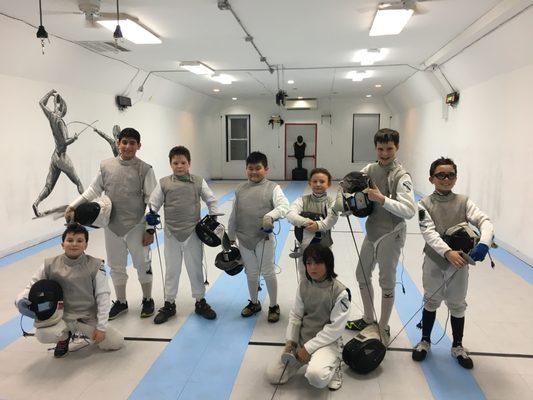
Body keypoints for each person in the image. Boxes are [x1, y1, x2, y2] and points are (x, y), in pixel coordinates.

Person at [65, 127, 157, 320]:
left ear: (138, 146)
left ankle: (147, 299)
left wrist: (150, 229)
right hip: (112, 226)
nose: (128, 146)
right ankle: (122, 302)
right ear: (118, 144)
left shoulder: (145, 169)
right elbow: (93, 190)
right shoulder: (106, 166)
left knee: (142, 263)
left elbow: (152, 200)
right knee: (116, 266)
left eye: (132, 143)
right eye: (124, 142)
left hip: (137, 225)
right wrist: (73, 206)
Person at [412, 157, 494, 369]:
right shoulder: (424, 204)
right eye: (441, 175)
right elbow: (428, 232)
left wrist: (484, 243)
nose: (446, 179)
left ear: (455, 178)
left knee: (457, 302)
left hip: (460, 262)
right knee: (431, 299)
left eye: (450, 175)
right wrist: (447, 252)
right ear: (432, 179)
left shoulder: (464, 201)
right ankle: (425, 341)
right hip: (434, 259)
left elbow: (484, 221)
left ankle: (457, 346)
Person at [344, 128, 416, 344]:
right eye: (380, 148)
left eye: (389, 149)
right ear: (375, 148)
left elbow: (409, 210)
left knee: (386, 281)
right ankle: (368, 318)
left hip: (391, 233)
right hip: (373, 230)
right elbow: (353, 187)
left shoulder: (401, 176)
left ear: (397, 148)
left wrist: (382, 199)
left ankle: (383, 327)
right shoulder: (370, 169)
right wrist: (347, 201)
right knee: (362, 274)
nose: (384, 153)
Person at [15, 223, 124, 358]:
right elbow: (33, 286)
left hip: (87, 316)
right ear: (62, 244)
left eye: (79, 241)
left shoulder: (95, 265)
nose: (74, 244)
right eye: (70, 240)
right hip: (61, 317)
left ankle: (84, 331)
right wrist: (21, 299)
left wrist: (101, 328)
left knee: (116, 342)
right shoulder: (49, 264)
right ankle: (63, 338)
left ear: (86, 245)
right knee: (43, 334)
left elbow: (103, 296)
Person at [148, 146, 219, 324]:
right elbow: (153, 203)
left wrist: (213, 218)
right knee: (172, 270)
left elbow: (211, 199)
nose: (179, 166)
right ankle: (169, 303)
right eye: (175, 163)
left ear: (189, 163)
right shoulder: (164, 182)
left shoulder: (198, 181)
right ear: (170, 164)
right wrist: (150, 217)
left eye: (183, 163)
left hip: (193, 232)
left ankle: (200, 301)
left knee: (195, 268)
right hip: (171, 233)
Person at [265, 244, 350, 390]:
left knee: (316, 377)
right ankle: (309, 359)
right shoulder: (304, 285)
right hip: (303, 340)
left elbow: (334, 329)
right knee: (274, 375)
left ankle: (335, 364)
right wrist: (291, 342)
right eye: (309, 263)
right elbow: (296, 315)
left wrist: (308, 349)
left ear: (328, 264)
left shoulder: (340, 292)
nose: (312, 268)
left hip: (326, 342)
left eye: (318, 263)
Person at [227, 151, 289, 322]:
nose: (254, 172)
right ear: (246, 169)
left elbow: (284, 206)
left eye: (258, 168)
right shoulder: (240, 189)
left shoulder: (273, 188)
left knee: (268, 272)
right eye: (250, 168)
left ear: (266, 169)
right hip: (244, 239)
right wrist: (230, 237)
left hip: (264, 238)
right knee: (251, 273)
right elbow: (234, 214)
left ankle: (274, 305)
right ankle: (254, 303)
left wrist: (271, 215)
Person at [33, 89, 84, 217]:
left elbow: (41, 102)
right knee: (78, 181)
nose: (57, 106)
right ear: (62, 109)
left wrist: (50, 93)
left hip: (54, 156)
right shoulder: (60, 121)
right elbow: (64, 142)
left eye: (57, 105)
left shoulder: (51, 116)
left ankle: (36, 203)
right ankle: (86, 205)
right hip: (62, 157)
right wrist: (74, 138)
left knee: (49, 185)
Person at [287, 167, 338, 281]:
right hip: (305, 247)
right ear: (309, 183)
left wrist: (318, 226)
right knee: (304, 275)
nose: (318, 184)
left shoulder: (331, 202)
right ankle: (305, 297)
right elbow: (290, 214)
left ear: (328, 184)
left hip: (325, 246)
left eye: (322, 181)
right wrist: (306, 222)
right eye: (314, 181)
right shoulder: (302, 200)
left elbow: (331, 219)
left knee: (325, 275)